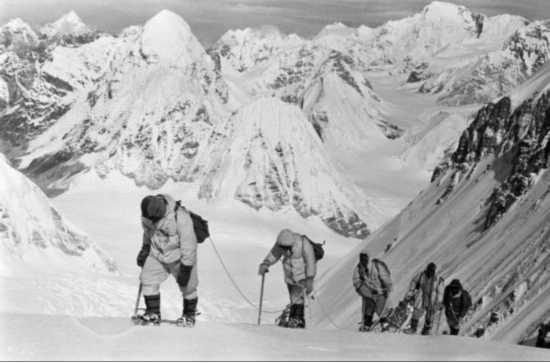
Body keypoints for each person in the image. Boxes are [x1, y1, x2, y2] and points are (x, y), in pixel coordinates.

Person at [135, 194, 199, 327]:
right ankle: (153, 314)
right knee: (147, 279)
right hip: (157, 253)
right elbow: (148, 232)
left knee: (188, 285)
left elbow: (189, 245)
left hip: (179, 256)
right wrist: (145, 248)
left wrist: (186, 268)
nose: (150, 221)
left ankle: (189, 315)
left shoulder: (181, 218)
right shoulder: (147, 216)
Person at [258, 229, 317, 329]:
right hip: (290, 278)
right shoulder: (280, 244)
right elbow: (274, 254)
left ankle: (297, 320)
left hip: (302, 277)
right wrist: (266, 263)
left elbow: (310, 262)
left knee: (296, 296)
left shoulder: (303, 244)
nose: (284, 249)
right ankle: (294, 320)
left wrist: (310, 279)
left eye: (286, 247)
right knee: (293, 298)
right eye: (282, 247)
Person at [352, 252, 393, 332]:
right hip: (368, 293)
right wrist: (365, 292)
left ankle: (385, 325)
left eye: (365, 258)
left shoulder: (376, 266)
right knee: (368, 310)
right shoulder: (359, 268)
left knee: (380, 309)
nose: (363, 261)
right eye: (362, 258)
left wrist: (388, 286)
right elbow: (356, 281)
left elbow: (384, 276)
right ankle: (367, 325)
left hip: (380, 292)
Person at [403, 262, 445, 335]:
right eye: (429, 270)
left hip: (432, 299)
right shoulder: (421, 275)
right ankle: (413, 329)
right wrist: (411, 290)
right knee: (417, 311)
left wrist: (439, 301)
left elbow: (440, 291)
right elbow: (414, 281)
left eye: (431, 271)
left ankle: (426, 330)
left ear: (434, 271)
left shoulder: (438, 279)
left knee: (430, 314)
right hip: (421, 296)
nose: (430, 272)